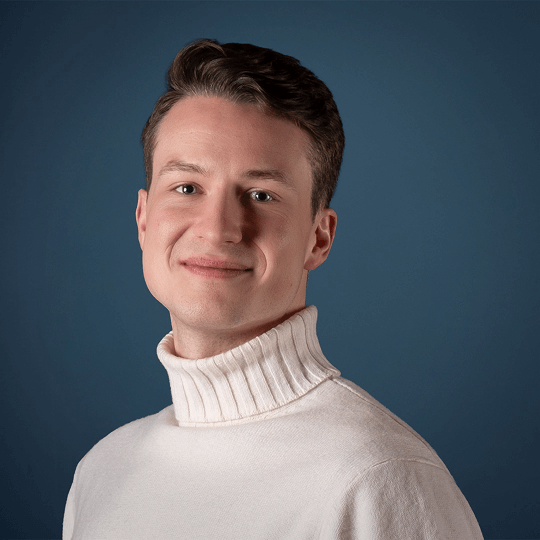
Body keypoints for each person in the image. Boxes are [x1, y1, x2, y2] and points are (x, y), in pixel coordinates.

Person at [63, 39, 484, 539]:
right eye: (187, 187)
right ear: (143, 219)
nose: (218, 228)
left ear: (319, 237)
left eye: (261, 195)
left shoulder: (376, 478)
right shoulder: (101, 473)